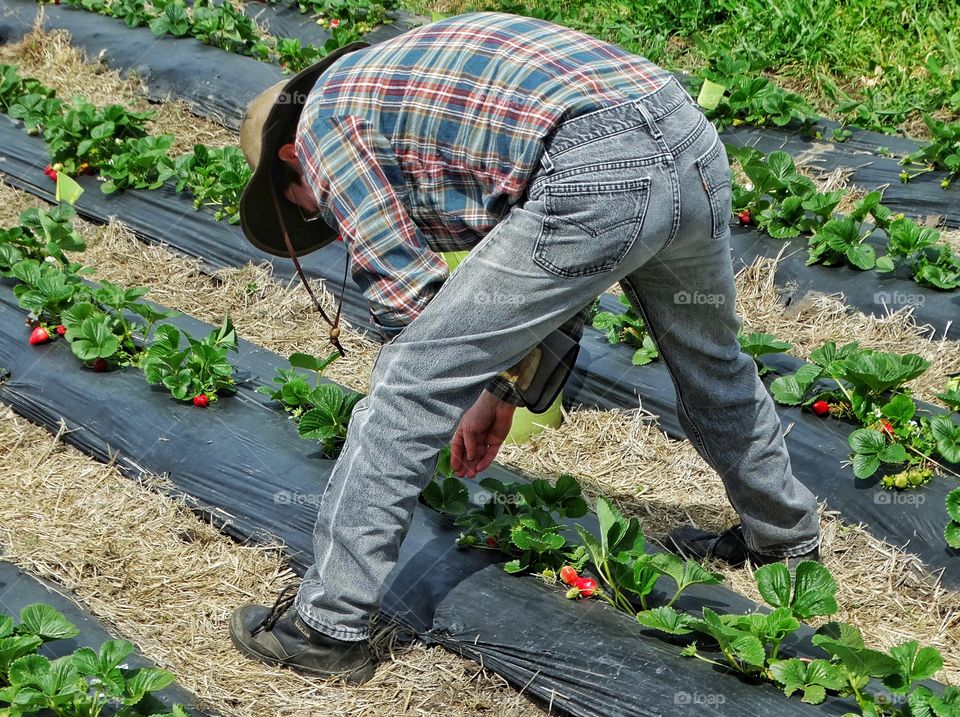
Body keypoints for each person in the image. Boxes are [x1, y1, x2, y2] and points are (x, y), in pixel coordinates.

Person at [229, 11, 821, 684]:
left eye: (311, 208)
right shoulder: (400, 79)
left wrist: (459, 377)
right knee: (712, 361)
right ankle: (785, 539)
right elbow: (551, 245)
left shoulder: (320, 127)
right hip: (685, 135)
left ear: (287, 160)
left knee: (407, 381)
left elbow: (412, 301)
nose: (325, 216)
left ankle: (326, 625)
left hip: (596, 161)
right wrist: (506, 389)